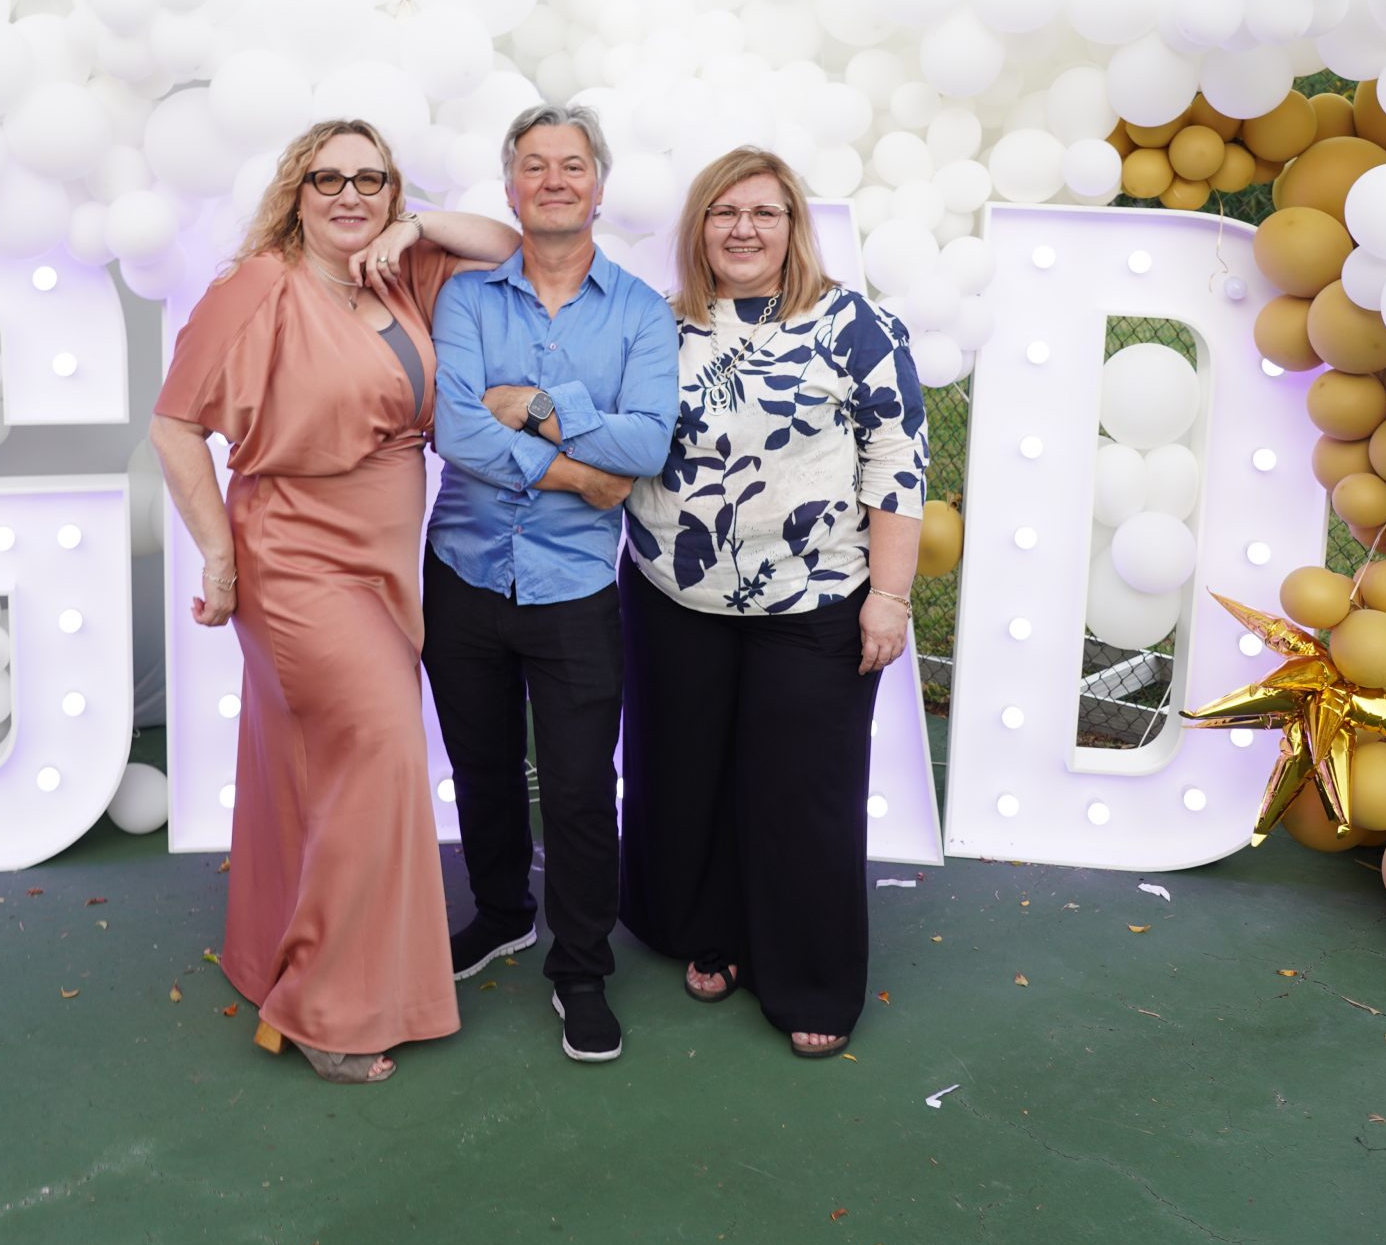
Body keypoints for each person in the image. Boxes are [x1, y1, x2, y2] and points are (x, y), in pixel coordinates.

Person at [152, 118, 520, 1086]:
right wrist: (219, 558)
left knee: (306, 766)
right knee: (379, 752)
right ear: (295, 192)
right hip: (294, 557)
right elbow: (174, 424)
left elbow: (508, 247)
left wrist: (417, 226)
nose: (350, 195)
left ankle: (273, 952)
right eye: (329, 179)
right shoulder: (257, 287)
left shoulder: (400, 277)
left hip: (386, 563)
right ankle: (323, 1009)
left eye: (371, 179)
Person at [618, 147, 928, 1060]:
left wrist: (890, 597)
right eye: (724, 212)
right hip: (674, 593)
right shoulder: (658, 326)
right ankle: (710, 933)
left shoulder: (854, 324)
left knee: (803, 793)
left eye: (764, 212)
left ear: (794, 225)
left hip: (815, 599)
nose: (743, 229)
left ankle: (810, 977)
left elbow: (898, 462)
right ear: (698, 227)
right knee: (688, 776)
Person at [425, 103, 678, 1065]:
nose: (554, 179)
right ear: (510, 188)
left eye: (572, 164)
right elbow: (455, 429)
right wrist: (576, 465)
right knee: (480, 764)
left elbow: (645, 445)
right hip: (462, 571)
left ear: (598, 187)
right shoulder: (466, 299)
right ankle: (501, 913)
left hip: (574, 588)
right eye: (534, 165)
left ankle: (580, 967)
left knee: (577, 787)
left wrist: (529, 405)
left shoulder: (641, 312)